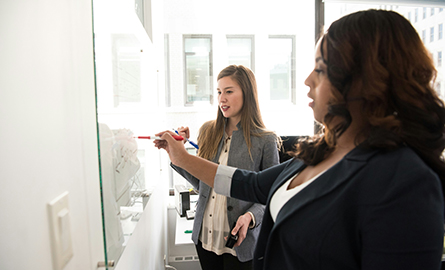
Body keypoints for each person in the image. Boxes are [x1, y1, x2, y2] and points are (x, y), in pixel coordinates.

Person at [156, 10, 445, 270]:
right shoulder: (320, 151)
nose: (307, 80)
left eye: (320, 68)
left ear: (366, 79)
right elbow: (250, 184)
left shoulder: (405, 181)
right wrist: (180, 158)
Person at [171, 65, 280, 270]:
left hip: (241, 242)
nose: (221, 99)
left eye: (229, 91)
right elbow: (202, 184)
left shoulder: (265, 140)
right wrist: (179, 154)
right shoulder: (207, 131)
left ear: (247, 94)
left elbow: (271, 195)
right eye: (219, 92)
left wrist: (250, 217)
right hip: (205, 236)